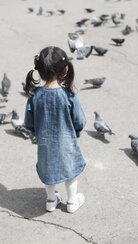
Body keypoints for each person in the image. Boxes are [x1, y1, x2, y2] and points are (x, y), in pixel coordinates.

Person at [24, 46, 86, 213]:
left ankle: (51, 201)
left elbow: (28, 123)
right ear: (65, 70)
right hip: (67, 143)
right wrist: (76, 133)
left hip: (44, 144)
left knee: (48, 171)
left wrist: (35, 134)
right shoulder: (68, 95)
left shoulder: (34, 96)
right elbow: (79, 120)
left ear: (41, 72)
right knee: (71, 172)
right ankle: (72, 202)